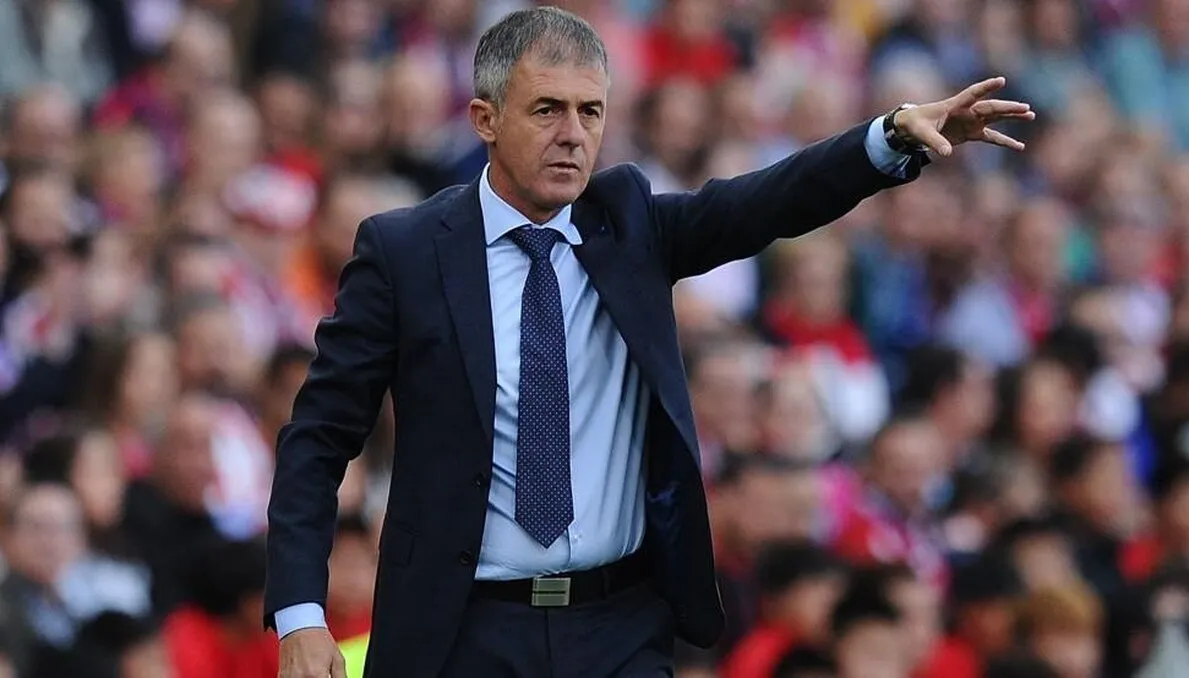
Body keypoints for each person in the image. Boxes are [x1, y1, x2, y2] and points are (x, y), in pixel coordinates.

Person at [264, 6, 1035, 678]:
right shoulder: (404, 251)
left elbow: (764, 202)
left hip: (618, 628)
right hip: (462, 630)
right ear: (484, 119)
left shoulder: (630, 224)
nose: (573, 136)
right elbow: (319, 438)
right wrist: (300, 614)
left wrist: (889, 137)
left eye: (591, 112)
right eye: (547, 110)